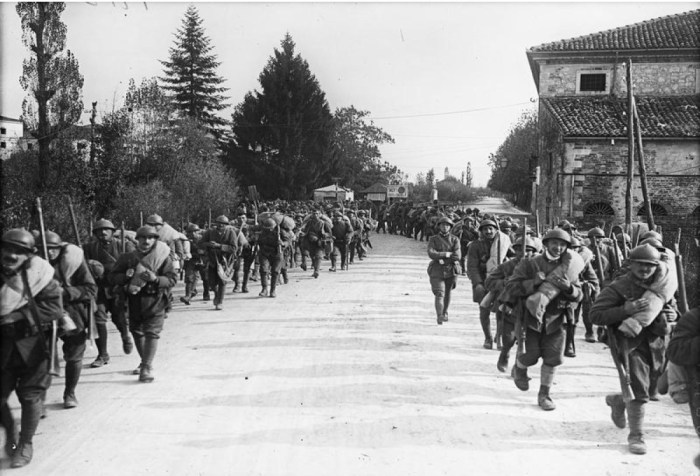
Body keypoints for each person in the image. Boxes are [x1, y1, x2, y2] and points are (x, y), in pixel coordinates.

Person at [589, 244, 674, 455]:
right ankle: (636, 436)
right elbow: (595, 315)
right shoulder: (618, 287)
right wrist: (624, 310)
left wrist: (674, 316)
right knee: (639, 391)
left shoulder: (662, 287)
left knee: (651, 388)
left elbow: (673, 309)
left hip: (657, 343)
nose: (645, 269)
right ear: (631, 264)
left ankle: (618, 401)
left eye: (650, 265)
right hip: (629, 344)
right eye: (640, 264)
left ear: (657, 266)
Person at [1, 229, 63, 468]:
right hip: (3, 346)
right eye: (8, 249)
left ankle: (25, 444)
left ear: (29, 256)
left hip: (32, 344)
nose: (12, 255)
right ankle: (11, 434)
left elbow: (53, 309)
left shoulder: (41, 275)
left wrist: (16, 316)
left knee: (30, 395)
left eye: (20, 252)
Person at [504, 228, 584, 411]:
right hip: (530, 318)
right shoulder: (530, 264)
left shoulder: (570, 266)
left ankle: (544, 394)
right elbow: (511, 287)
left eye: (563, 245)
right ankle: (520, 368)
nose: (558, 247)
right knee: (530, 356)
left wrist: (569, 289)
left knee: (553, 358)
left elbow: (579, 295)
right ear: (546, 244)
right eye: (554, 243)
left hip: (557, 319)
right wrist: (533, 283)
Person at [109, 225, 177, 382]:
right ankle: (145, 361)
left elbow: (172, 279)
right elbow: (113, 277)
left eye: (150, 238)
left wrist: (156, 279)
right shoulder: (128, 258)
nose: (146, 241)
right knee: (137, 331)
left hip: (156, 300)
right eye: (143, 238)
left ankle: (146, 367)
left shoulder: (163, 257)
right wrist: (126, 278)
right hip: (133, 300)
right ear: (137, 240)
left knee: (152, 332)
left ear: (155, 240)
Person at [45, 231, 97, 408]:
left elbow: (90, 289)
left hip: (72, 313)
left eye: (53, 249)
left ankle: (70, 393)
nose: (49, 253)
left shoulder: (73, 261)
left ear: (60, 248)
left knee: (74, 356)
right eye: (43, 249)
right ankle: (38, 400)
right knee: (41, 359)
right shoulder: (32, 265)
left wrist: (65, 292)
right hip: (44, 315)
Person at [83, 219, 135, 367]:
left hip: (117, 288)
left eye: (106, 230)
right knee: (98, 319)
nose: (103, 233)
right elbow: (82, 267)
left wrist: (127, 274)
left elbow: (134, 263)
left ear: (113, 232)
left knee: (119, 318)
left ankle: (125, 335)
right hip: (98, 289)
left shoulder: (123, 245)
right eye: (99, 231)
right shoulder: (89, 248)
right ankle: (103, 354)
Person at [485, 236, 540, 372]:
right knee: (509, 338)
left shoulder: (537, 266)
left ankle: (518, 367)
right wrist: (504, 283)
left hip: (529, 307)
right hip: (510, 306)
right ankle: (505, 353)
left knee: (524, 339)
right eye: (520, 250)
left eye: (528, 250)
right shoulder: (507, 266)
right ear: (515, 251)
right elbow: (489, 282)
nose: (525, 253)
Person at [467, 219, 512, 349]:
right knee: (484, 310)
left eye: (491, 228)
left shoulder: (503, 243)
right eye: (485, 229)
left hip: (499, 282)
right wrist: (478, 283)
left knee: (501, 310)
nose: (488, 231)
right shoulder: (475, 246)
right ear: (481, 231)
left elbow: (514, 257)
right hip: (482, 281)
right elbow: (472, 267)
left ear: (496, 230)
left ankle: (499, 336)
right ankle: (488, 337)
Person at [566, 236, 600, 356]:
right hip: (562, 292)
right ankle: (567, 342)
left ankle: (589, 332)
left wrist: (594, 293)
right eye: (570, 248)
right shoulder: (556, 260)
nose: (573, 251)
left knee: (584, 311)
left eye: (575, 248)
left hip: (579, 292)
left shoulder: (583, 262)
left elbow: (593, 280)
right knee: (569, 320)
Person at [198, 216, 238, 310]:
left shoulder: (231, 233)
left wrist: (219, 246)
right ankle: (216, 294)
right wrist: (209, 244)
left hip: (225, 261)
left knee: (222, 281)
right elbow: (200, 243)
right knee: (211, 282)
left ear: (226, 225)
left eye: (223, 224)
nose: (220, 225)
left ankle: (220, 301)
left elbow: (233, 248)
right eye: (219, 223)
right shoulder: (210, 232)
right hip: (212, 260)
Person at [427, 217, 461, 325]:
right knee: (439, 293)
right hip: (437, 269)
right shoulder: (433, 239)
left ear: (450, 227)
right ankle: (439, 315)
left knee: (448, 292)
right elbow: (431, 253)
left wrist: (441, 257)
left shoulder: (455, 239)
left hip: (451, 270)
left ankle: (445, 312)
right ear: (439, 226)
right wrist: (446, 254)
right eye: (442, 225)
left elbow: (457, 255)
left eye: (447, 225)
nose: (444, 227)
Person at [257, 218, 293, 297]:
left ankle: (273, 290)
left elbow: (288, 241)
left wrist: (283, 243)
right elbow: (259, 241)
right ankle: (264, 289)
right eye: (267, 228)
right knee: (263, 270)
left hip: (277, 253)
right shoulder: (262, 232)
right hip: (264, 253)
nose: (269, 230)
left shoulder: (281, 232)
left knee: (275, 271)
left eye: (270, 228)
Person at [180, 223, 203, 305]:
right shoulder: (185, 240)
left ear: (198, 232)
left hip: (200, 261)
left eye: (195, 232)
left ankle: (193, 293)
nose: (193, 234)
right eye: (190, 232)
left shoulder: (201, 239)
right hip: (189, 261)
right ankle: (188, 295)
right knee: (189, 278)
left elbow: (204, 250)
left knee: (204, 279)